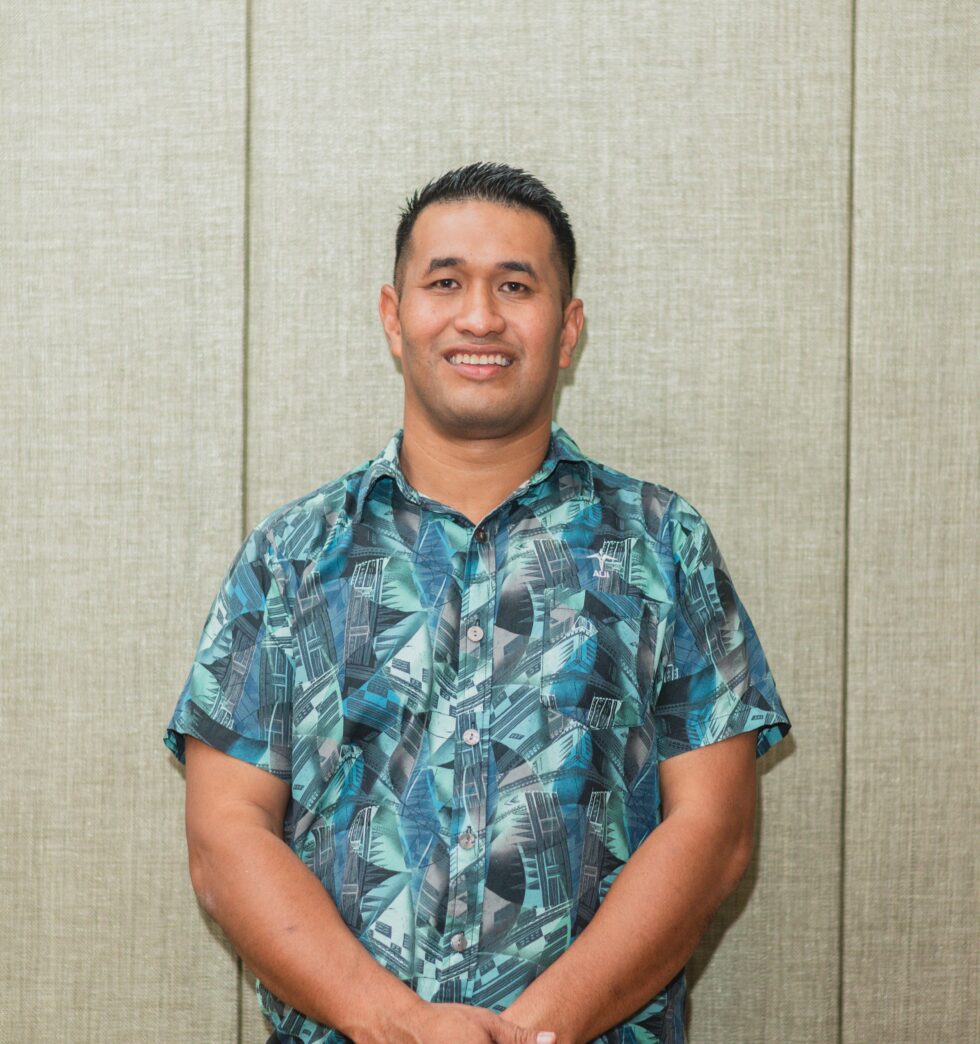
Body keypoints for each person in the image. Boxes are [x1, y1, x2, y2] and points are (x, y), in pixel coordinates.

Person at [165, 161, 790, 1044]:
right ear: (394, 317)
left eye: (516, 286)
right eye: (446, 282)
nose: (480, 317)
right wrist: (398, 1026)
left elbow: (714, 830)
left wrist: (536, 1032)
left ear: (567, 329)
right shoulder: (291, 556)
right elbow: (225, 836)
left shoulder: (662, 543)